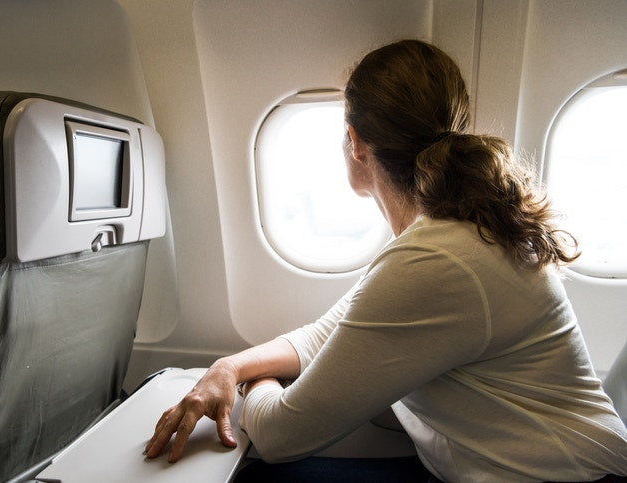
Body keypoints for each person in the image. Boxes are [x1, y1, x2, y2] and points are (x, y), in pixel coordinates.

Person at [145, 39, 627, 482]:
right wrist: (227, 368)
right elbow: (325, 333)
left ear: (355, 141)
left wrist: (258, 381)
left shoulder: (439, 259)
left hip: (567, 476)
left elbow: (278, 437)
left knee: (260, 474)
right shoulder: (448, 235)